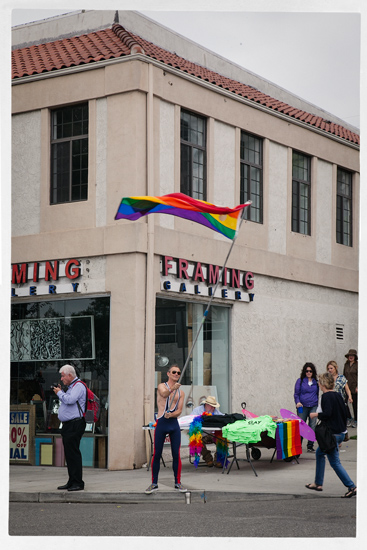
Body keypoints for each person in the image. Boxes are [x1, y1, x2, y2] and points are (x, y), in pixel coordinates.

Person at [305, 372, 357, 498]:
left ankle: (352, 486)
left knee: (335, 462)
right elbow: (345, 413)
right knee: (319, 453)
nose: (318, 384)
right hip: (339, 432)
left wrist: (315, 415)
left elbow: (327, 414)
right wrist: (343, 433)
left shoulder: (326, 397)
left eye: (319, 382)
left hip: (331, 434)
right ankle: (318, 483)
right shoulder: (338, 395)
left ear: (323, 384)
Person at [145, 365, 187, 494]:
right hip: (162, 422)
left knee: (176, 454)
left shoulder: (181, 392)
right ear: (168, 373)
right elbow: (163, 394)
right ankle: (154, 483)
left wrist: (172, 414)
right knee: (157, 453)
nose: (176, 374)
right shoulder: (161, 386)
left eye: (178, 373)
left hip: (173, 423)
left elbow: (179, 410)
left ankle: (177, 483)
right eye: (174, 372)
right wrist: (172, 389)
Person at [53, 364, 86, 491]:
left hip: (75, 424)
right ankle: (72, 481)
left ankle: (78, 482)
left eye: (63, 376)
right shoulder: (72, 387)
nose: (61, 379)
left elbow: (70, 400)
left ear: (70, 375)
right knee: (69, 453)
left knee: (73, 453)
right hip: (69, 424)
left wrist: (60, 393)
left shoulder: (78, 386)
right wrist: (62, 392)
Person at [192, 396, 224, 467]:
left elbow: (223, 417)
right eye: (212, 406)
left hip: (213, 433)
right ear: (207, 405)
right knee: (196, 439)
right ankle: (208, 459)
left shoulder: (216, 412)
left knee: (222, 438)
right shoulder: (197, 411)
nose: (213, 408)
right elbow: (191, 421)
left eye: (214, 407)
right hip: (202, 434)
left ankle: (218, 459)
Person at [294, 362, 319, 452]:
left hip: (313, 405)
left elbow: (318, 393)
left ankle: (310, 446)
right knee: (301, 425)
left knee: (312, 425)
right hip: (302, 406)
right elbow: (296, 394)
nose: (308, 372)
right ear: (304, 371)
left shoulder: (316, 382)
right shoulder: (300, 381)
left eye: (310, 371)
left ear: (313, 372)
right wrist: (297, 402)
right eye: (307, 371)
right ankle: (298, 445)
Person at [343, 349, 358, 428]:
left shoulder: (357, 365)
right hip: (347, 387)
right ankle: (349, 418)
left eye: (352, 355)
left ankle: (356, 420)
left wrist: (358, 386)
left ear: (355, 357)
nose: (350, 357)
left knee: (355, 405)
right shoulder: (346, 365)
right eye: (349, 355)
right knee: (344, 403)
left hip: (354, 387)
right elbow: (343, 375)